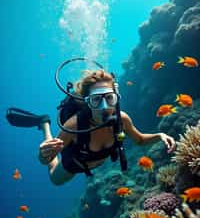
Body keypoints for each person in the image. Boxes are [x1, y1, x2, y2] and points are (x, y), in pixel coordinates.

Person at [37, 69, 176, 185]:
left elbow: (140, 140)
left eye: (109, 98)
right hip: (76, 164)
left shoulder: (122, 119)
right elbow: (47, 159)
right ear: (88, 102)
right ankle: (45, 125)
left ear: (116, 97)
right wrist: (43, 154)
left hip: (97, 161)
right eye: (96, 100)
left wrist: (160, 135)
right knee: (54, 178)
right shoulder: (74, 125)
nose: (104, 107)